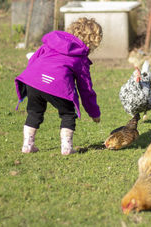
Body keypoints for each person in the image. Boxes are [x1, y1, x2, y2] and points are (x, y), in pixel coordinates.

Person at [15, 17, 102, 155]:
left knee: (34, 111)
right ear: (92, 42)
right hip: (57, 86)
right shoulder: (80, 58)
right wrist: (94, 112)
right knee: (67, 113)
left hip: (34, 81)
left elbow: (34, 58)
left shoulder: (52, 43)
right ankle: (67, 148)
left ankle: (27, 145)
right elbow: (85, 89)